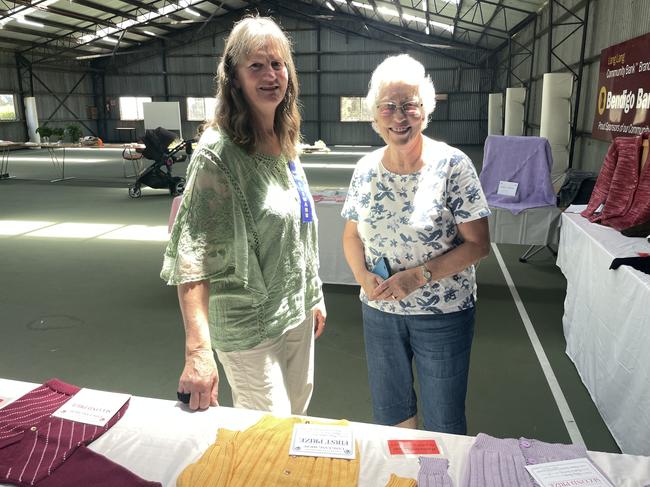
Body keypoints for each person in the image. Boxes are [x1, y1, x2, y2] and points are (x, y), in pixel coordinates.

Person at [161, 16, 326, 414]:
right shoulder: (218, 154)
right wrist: (199, 352)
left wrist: (314, 291)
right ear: (233, 78)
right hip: (247, 323)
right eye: (256, 66)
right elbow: (193, 256)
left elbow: (300, 225)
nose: (271, 75)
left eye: (278, 64)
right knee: (268, 433)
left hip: (296, 311)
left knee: (296, 418)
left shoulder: (283, 139)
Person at [341, 54, 490, 434]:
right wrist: (362, 277)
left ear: (425, 110)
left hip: (443, 315)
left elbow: (478, 244)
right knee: (390, 415)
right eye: (388, 107)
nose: (399, 116)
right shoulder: (365, 170)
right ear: (375, 115)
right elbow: (351, 235)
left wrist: (419, 276)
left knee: (443, 421)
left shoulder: (453, 166)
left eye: (410, 105)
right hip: (380, 315)